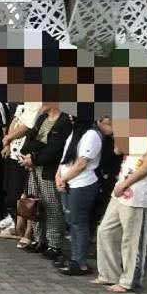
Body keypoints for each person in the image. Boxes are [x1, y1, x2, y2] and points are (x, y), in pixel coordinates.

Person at [93, 118, 147, 293]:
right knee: (105, 230)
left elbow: (146, 167)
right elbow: (118, 149)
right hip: (121, 188)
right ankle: (109, 274)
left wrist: (125, 185)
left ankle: (130, 280)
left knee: (132, 239)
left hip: (138, 192)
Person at [21, 104, 72, 259]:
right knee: (35, 203)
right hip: (34, 167)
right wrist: (27, 155)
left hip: (50, 170)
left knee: (52, 206)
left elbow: (55, 149)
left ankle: (54, 244)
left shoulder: (64, 121)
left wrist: (34, 158)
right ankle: (39, 239)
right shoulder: (42, 118)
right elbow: (31, 137)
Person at [55, 117, 103, 276]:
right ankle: (74, 257)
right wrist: (58, 176)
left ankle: (80, 262)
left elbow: (82, 163)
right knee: (71, 221)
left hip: (82, 184)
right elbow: (65, 157)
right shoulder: (74, 133)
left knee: (79, 222)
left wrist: (64, 178)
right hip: (68, 182)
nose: (70, 117)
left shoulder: (91, 134)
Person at [0, 102, 39, 240]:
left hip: (25, 155)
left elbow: (26, 127)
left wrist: (8, 138)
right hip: (13, 152)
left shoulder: (37, 106)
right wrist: (8, 143)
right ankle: (17, 225)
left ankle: (26, 231)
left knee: (24, 194)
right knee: (11, 193)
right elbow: (14, 121)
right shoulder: (22, 105)